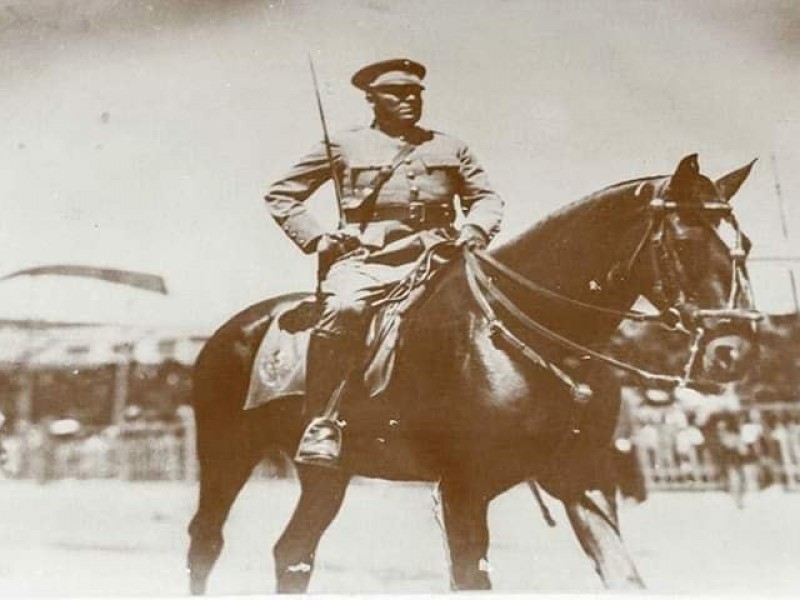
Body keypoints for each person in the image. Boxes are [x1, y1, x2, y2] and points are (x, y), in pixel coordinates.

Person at [265, 58, 504, 466]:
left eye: (415, 92)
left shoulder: (450, 147)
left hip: (442, 255)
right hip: (368, 259)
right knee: (344, 307)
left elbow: (485, 197)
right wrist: (319, 239)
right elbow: (282, 195)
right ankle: (325, 420)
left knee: (497, 307)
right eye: (397, 92)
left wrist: (476, 230)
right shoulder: (343, 145)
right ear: (372, 99)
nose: (410, 99)